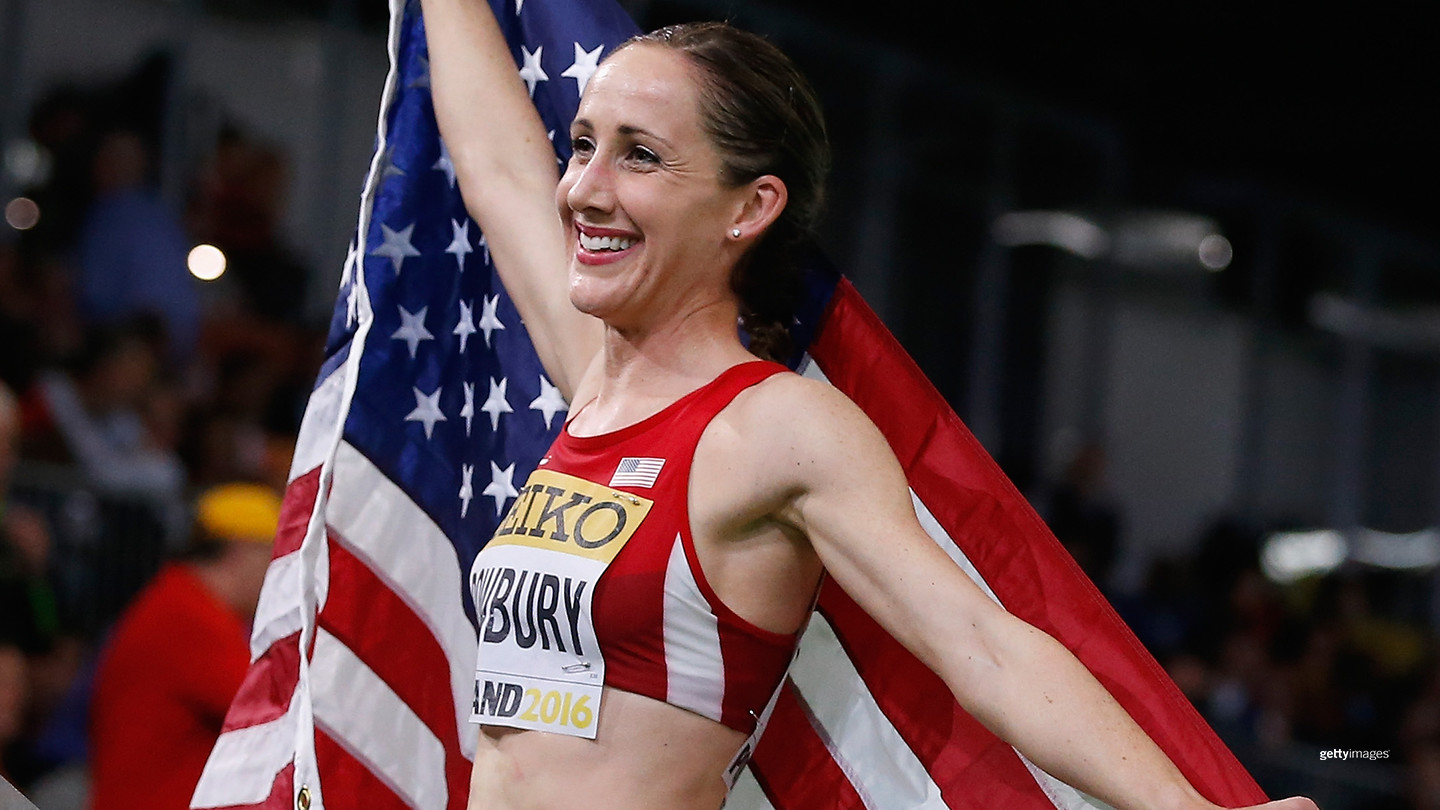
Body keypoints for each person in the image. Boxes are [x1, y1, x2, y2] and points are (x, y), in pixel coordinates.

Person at [420, 2, 1320, 809]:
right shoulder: (596, 387)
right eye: (583, 144)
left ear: (750, 208)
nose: (584, 188)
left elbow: (982, 643)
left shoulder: (776, 429)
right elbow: (498, 172)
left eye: (641, 155)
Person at [88, 481, 281, 810]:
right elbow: (272, 707)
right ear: (241, 551)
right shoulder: (188, 615)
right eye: (273, 557)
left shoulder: (178, 599)